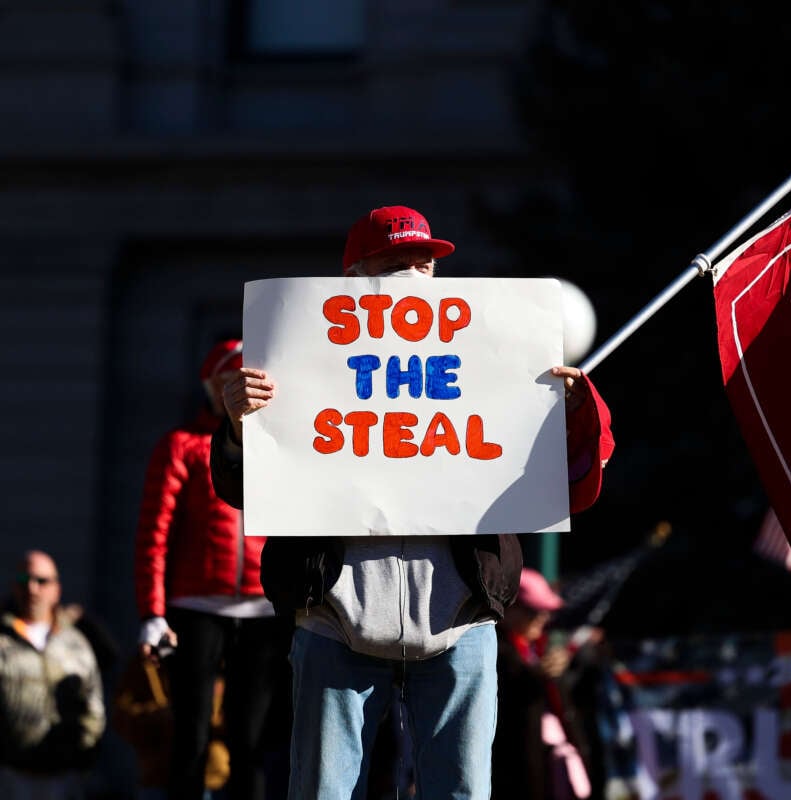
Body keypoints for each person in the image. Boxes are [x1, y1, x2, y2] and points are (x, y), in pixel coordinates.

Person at [209, 204, 616, 800]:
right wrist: (240, 426)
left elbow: (575, 484)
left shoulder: (489, 355)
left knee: (462, 792)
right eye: (395, 265)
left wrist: (578, 411)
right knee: (322, 791)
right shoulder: (294, 360)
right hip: (334, 615)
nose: (413, 280)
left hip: (462, 619)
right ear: (353, 279)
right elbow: (240, 492)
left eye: (423, 264)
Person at [132, 337, 293, 800]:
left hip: (263, 609)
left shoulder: (280, 447)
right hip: (195, 605)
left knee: (252, 742)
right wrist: (152, 613)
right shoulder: (182, 446)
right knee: (192, 736)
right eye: (230, 379)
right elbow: (153, 535)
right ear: (211, 385)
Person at [0, 550, 106, 798]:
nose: (33, 589)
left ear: (56, 589)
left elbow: (93, 705)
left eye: (42, 581)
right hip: (10, 776)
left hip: (65, 777)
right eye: (26, 581)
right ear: (15, 588)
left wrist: (85, 754)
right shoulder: (3, 640)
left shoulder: (75, 642)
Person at [493, 568, 595, 800]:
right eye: (533, 611)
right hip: (512, 776)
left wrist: (555, 671)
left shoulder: (538, 646)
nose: (543, 618)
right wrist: (536, 675)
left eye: (545, 612)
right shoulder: (495, 650)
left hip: (548, 767)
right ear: (508, 608)